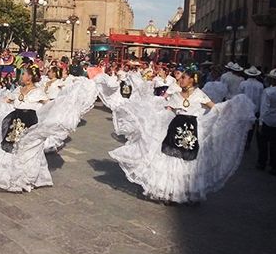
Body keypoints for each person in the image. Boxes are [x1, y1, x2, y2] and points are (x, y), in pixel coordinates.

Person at [108, 68, 255, 203]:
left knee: (188, 163)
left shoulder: (200, 95)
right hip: (175, 129)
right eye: (181, 77)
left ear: (192, 79)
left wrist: (231, 108)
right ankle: (171, 193)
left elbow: (215, 109)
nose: (180, 80)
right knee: (172, 161)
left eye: (184, 77)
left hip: (191, 131)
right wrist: (151, 115)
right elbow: (169, 110)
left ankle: (187, 192)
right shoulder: (176, 95)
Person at [0, 65, 98, 192]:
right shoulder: (18, 90)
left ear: (30, 77)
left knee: (23, 151)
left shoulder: (38, 92)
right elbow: (6, 100)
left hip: (28, 125)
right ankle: (5, 177)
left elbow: (48, 106)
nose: (21, 76)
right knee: (7, 148)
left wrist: (61, 107)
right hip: (14, 122)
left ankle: (21, 179)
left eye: (24, 74)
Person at [239, 66, 264, 149]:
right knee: (251, 126)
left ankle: (243, 140)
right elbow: (261, 98)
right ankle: (248, 141)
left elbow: (240, 96)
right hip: (255, 108)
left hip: (244, 107)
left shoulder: (243, 83)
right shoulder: (260, 85)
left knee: (242, 125)